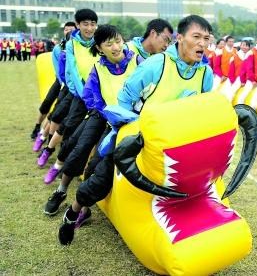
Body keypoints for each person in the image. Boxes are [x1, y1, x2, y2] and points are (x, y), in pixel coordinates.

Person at [58, 14, 214, 245]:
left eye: (207, 38)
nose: (202, 43)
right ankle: (73, 212)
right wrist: (131, 127)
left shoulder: (205, 75)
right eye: (196, 37)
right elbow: (125, 98)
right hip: (138, 138)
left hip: (175, 145)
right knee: (100, 181)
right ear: (179, 38)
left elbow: (202, 110)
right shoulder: (156, 64)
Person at [43, 19, 174, 217]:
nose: (116, 47)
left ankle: (83, 208)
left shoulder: (137, 61)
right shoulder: (98, 68)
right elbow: (89, 95)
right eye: (109, 44)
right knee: (80, 147)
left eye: (118, 41)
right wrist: (104, 111)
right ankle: (60, 191)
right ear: (100, 48)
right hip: (103, 114)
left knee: (97, 161)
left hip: (128, 120)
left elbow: (148, 91)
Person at [34, 9, 99, 162]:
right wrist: (83, 93)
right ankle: (48, 148)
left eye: (93, 24)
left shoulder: (98, 43)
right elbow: (72, 72)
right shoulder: (68, 46)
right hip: (74, 90)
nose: (89, 28)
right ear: (78, 25)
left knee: (89, 130)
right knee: (63, 122)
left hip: (96, 94)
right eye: (85, 24)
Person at [31, 22, 77, 141]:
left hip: (73, 83)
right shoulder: (58, 48)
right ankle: (38, 127)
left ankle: (49, 135)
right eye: (66, 29)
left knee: (60, 109)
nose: (68, 31)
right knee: (48, 103)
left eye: (71, 29)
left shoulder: (78, 46)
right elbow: (58, 70)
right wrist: (63, 83)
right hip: (61, 82)